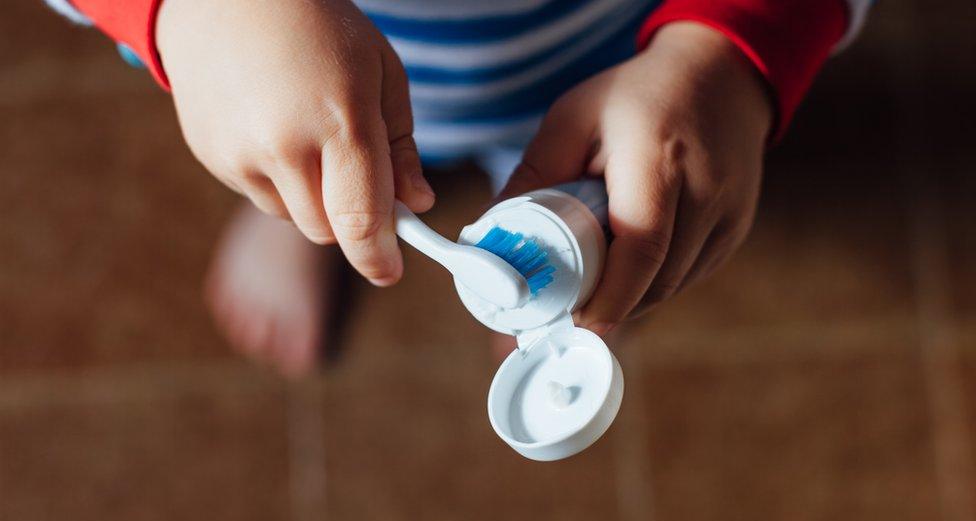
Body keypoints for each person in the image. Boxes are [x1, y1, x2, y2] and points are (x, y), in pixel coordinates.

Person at [46, 0, 870, 376]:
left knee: (602, 201)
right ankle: (306, 214)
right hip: (285, 53)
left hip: (623, 65)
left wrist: (730, 45)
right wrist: (187, 13)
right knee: (315, 158)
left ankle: (570, 291)